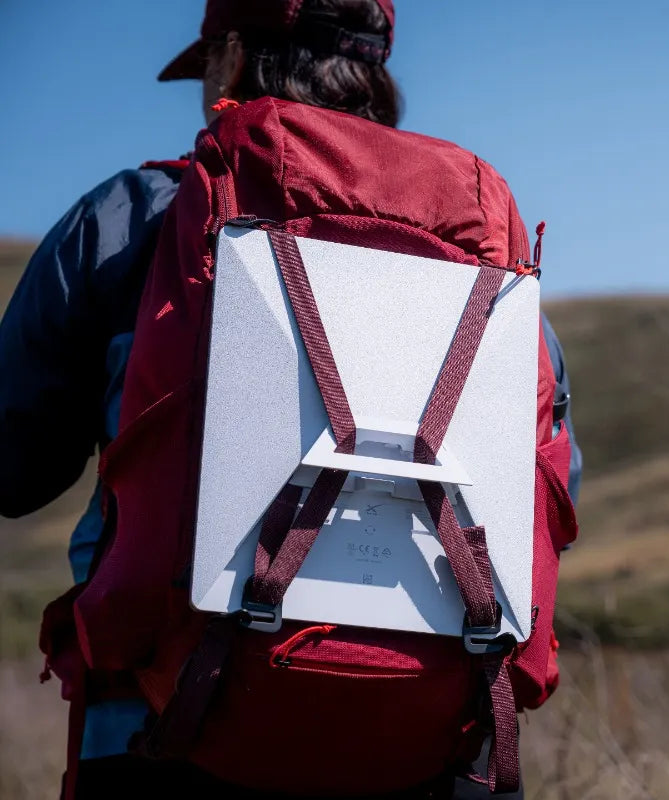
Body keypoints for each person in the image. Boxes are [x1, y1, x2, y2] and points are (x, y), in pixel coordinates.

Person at [0, 1, 581, 797]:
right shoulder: (487, 253)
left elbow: (15, 469)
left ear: (233, 58)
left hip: (161, 730)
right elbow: (554, 491)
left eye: (205, 67)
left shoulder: (134, 218)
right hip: (435, 736)